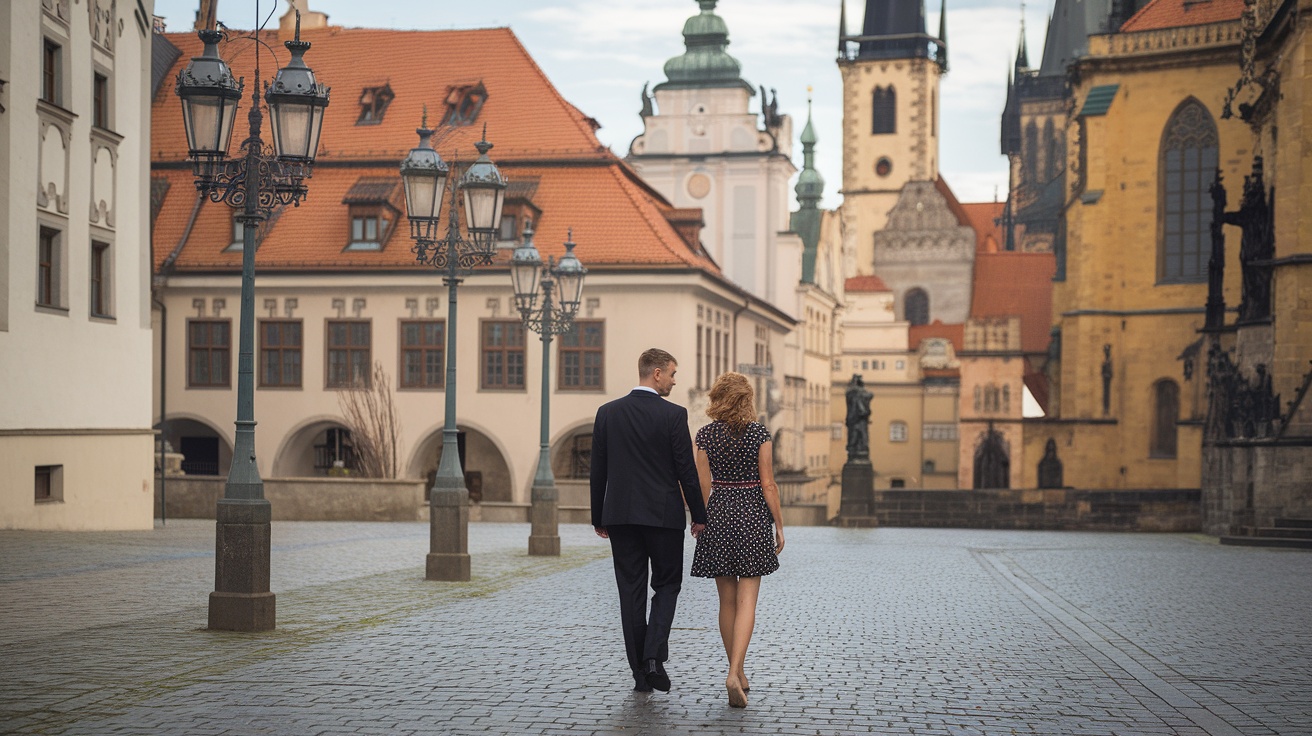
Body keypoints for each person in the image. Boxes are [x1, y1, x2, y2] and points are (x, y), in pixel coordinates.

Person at [591, 348, 708, 694]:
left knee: (631, 592)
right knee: (667, 585)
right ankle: (654, 656)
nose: (674, 380)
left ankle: (640, 673)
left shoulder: (607, 413)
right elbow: (685, 470)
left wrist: (599, 516)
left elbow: (598, 471)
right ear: (656, 373)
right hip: (663, 516)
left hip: (621, 516)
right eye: (672, 373)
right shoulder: (673, 415)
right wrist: (698, 516)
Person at [689, 372, 785, 708]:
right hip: (752, 514)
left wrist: (698, 519)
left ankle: (738, 672)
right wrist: (780, 525)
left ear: (717, 398)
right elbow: (768, 484)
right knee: (748, 602)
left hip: (718, 513)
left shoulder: (704, 435)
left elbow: (702, 485)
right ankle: (734, 673)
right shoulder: (759, 433)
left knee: (726, 602)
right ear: (747, 399)